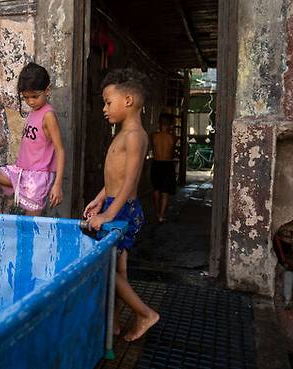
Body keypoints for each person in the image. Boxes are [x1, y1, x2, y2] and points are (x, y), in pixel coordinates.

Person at [84, 69, 160, 342]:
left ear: (128, 100)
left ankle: (144, 314)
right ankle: (114, 323)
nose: (104, 108)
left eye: (108, 101)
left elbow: (129, 181)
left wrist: (108, 214)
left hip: (123, 208)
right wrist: (100, 197)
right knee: (118, 271)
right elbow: (114, 178)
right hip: (116, 203)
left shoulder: (135, 136)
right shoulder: (122, 133)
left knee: (107, 266)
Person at [0, 62, 65, 215]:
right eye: (26, 97)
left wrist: (57, 184)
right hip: (20, 171)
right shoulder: (33, 112)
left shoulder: (48, 115)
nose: (31, 101)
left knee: (30, 224)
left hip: (38, 178)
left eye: (35, 96)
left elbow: (60, 150)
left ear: (47, 91)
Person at [150, 114, 176, 223]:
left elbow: (153, 147)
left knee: (156, 189)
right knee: (165, 192)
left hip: (156, 163)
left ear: (159, 124)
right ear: (170, 125)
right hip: (168, 165)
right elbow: (172, 151)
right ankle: (161, 215)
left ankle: (156, 212)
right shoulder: (172, 137)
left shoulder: (153, 136)